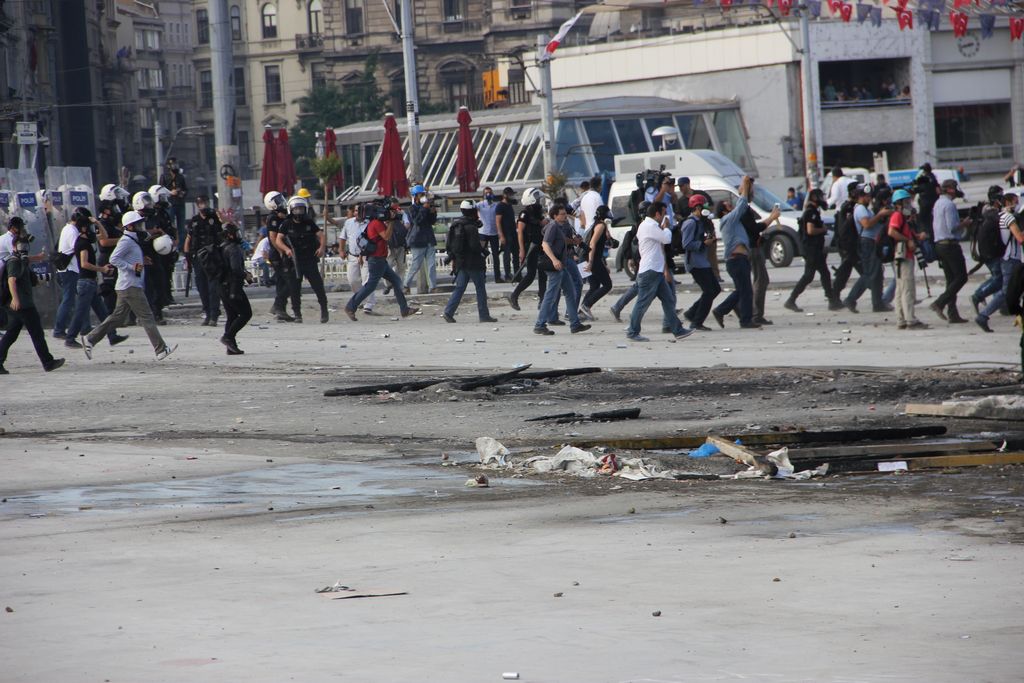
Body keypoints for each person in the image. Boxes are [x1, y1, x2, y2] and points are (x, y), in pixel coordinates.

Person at [83, 211, 176, 361]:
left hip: (126, 286)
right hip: (130, 286)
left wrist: (141, 260)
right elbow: (114, 259)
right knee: (147, 317)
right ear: (131, 226)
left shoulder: (131, 240)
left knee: (117, 318)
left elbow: (129, 258)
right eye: (138, 224)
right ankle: (161, 349)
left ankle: (90, 339)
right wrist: (132, 267)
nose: (141, 226)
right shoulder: (126, 241)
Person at [624, 201, 691, 342]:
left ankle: (677, 330)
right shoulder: (650, 226)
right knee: (642, 303)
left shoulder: (649, 225)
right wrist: (666, 228)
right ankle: (632, 331)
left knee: (668, 300)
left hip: (655, 270)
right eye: (664, 213)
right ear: (657, 214)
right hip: (650, 271)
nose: (665, 216)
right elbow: (666, 239)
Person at [0, 231, 65, 374]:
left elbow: (30, 280)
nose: (23, 247)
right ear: (14, 246)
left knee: (11, 333)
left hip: (20, 304)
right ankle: (48, 362)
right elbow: (12, 280)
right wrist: (16, 299)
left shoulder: (22, 261)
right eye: (20, 244)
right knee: (36, 333)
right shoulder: (14, 261)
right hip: (22, 305)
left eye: (25, 244)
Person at [344, 203, 419, 321]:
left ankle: (404, 309)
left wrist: (390, 221)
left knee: (396, 280)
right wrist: (392, 222)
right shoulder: (376, 224)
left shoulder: (373, 223)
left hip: (380, 260)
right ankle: (350, 306)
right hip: (376, 260)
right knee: (370, 286)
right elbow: (387, 237)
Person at [64, 213, 128, 348]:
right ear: (83, 228)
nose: (93, 230)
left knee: (102, 311)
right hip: (85, 282)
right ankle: (70, 338)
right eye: (89, 227)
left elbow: (104, 236)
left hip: (90, 282)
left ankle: (112, 335)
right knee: (81, 311)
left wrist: (97, 223)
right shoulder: (82, 243)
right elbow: (84, 263)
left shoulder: (87, 240)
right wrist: (102, 269)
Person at [533, 205, 590, 336]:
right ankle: (540, 324)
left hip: (561, 265)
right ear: (555, 216)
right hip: (554, 267)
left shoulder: (560, 227)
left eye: (565, 214)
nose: (565, 216)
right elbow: (545, 244)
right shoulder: (553, 226)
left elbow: (561, 241)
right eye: (562, 214)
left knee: (570, 292)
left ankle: (575, 324)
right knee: (550, 295)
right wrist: (554, 260)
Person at [712, 177, 760, 329]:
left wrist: (747, 188)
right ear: (724, 210)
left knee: (742, 290)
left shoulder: (733, 222)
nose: (732, 207)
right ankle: (745, 320)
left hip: (739, 259)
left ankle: (722, 311)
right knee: (746, 291)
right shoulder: (728, 219)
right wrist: (744, 188)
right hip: (736, 259)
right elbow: (741, 205)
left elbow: (744, 206)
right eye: (728, 205)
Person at [786, 189, 842, 312]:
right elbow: (810, 230)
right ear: (815, 197)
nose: (823, 199)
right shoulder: (811, 212)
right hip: (811, 249)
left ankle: (832, 301)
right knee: (812, 275)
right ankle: (791, 300)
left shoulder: (813, 211)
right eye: (821, 197)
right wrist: (823, 230)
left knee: (820, 274)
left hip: (814, 249)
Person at [976, 192, 1023, 333]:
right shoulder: (1009, 218)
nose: (1017, 203)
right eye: (1015, 201)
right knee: (1006, 291)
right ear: (1008, 202)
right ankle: (983, 315)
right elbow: (1020, 238)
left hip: (1005, 258)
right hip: (1011, 258)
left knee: (1010, 290)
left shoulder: (1000, 216)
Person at [443, 200, 496, 324]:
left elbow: (450, 245)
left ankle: (448, 312)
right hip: (473, 263)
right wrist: (483, 250)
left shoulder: (456, 225)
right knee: (480, 288)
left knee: (460, 288)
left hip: (461, 262)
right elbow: (474, 246)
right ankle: (484, 315)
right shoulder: (471, 227)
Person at [277, 195, 328, 324]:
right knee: (294, 289)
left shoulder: (309, 223)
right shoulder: (286, 224)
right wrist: (286, 250)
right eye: (296, 209)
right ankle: (297, 314)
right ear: (290, 210)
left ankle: (324, 310)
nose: (298, 212)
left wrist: (321, 248)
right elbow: (278, 239)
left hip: (309, 259)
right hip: (293, 261)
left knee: (318, 286)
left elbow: (321, 236)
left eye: (301, 209)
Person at [843, 186, 893, 313]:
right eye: (867, 196)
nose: (870, 198)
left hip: (872, 242)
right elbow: (867, 224)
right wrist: (880, 214)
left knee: (877, 275)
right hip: (867, 243)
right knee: (870, 274)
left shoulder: (865, 209)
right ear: (861, 196)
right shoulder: (860, 209)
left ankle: (878, 303)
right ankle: (850, 299)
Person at [887, 190, 929, 330]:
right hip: (904, 257)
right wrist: (909, 240)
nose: (909, 204)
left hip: (903, 256)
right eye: (906, 202)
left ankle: (901, 319)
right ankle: (910, 320)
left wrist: (916, 236)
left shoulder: (904, 218)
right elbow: (892, 232)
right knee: (907, 289)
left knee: (901, 289)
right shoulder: (897, 216)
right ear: (898, 204)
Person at [929, 179, 969, 323]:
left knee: (951, 280)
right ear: (951, 189)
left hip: (940, 245)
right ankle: (939, 303)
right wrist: (964, 223)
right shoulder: (949, 204)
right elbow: (952, 227)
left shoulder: (938, 203)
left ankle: (953, 314)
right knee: (961, 277)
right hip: (950, 245)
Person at [679, 194, 720, 331]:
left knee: (715, 289)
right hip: (695, 263)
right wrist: (703, 243)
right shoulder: (690, 223)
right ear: (697, 207)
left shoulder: (701, 221)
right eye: (704, 206)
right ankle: (696, 322)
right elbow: (686, 244)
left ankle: (691, 313)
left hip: (703, 262)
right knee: (709, 291)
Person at [183, 195, 223, 326]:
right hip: (198, 258)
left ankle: (214, 315)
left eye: (204, 203)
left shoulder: (214, 218)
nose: (202, 205)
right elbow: (188, 240)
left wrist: (219, 215)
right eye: (200, 203)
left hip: (212, 257)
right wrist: (187, 256)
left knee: (213, 287)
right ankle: (207, 313)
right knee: (202, 287)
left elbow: (224, 230)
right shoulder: (194, 221)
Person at [740, 199, 779, 325]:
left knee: (759, 280)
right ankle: (755, 314)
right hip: (752, 249)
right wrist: (772, 218)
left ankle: (753, 313)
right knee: (760, 280)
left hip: (753, 247)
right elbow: (754, 228)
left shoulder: (745, 208)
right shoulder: (744, 209)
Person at [509, 188, 548, 311]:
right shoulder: (524, 214)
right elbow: (520, 232)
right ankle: (514, 295)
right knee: (530, 275)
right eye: (536, 199)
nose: (538, 201)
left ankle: (542, 301)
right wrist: (522, 250)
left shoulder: (538, 213)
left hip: (540, 246)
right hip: (529, 247)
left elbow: (541, 225)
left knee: (543, 274)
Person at [971, 185, 1008, 313]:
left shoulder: (988, 210)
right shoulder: (991, 212)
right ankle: (978, 296)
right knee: (999, 278)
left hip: (990, 250)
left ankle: (1001, 305)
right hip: (991, 252)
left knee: (999, 278)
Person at [218, 222, 253, 354]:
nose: (238, 235)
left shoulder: (221, 247)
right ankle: (227, 338)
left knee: (231, 316)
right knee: (246, 313)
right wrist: (246, 275)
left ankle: (230, 347)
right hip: (232, 287)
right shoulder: (233, 248)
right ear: (229, 235)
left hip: (222, 286)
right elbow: (236, 269)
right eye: (236, 233)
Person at [338, 203, 376, 315]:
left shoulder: (370, 223)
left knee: (367, 280)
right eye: (356, 211)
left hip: (366, 256)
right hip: (352, 256)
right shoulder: (349, 223)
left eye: (360, 211)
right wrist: (341, 250)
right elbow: (343, 237)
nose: (358, 213)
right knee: (352, 280)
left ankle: (369, 304)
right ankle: (359, 298)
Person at [264, 191, 297, 322]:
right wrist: (281, 251)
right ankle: (278, 306)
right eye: (277, 200)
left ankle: (280, 310)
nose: (281, 201)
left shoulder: (283, 216)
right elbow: (273, 238)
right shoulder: (273, 218)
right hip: (278, 255)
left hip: (284, 253)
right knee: (290, 281)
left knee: (282, 282)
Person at [580, 205, 615, 320]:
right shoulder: (601, 226)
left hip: (586, 257)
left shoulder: (596, 224)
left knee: (594, 285)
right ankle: (586, 305)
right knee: (607, 285)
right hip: (590, 258)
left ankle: (581, 312)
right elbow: (592, 244)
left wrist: (603, 265)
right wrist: (590, 262)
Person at [52, 207, 83, 339]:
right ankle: (59, 329)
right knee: (68, 299)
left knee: (79, 298)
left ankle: (83, 326)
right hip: (69, 270)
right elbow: (78, 248)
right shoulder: (72, 231)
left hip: (68, 269)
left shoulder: (67, 228)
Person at [831, 183, 864, 302]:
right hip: (848, 246)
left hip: (852, 246)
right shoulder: (847, 208)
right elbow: (844, 230)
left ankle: (836, 298)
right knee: (863, 273)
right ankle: (838, 299)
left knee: (845, 274)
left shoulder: (853, 206)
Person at [404, 187, 438, 293]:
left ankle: (433, 286)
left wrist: (433, 212)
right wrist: (424, 208)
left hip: (428, 238)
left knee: (431, 264)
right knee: (416, 264)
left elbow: (431, 221)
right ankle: (406, 285)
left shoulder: (427, 206)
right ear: (415, 196)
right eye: (420, 194)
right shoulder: (411, 208)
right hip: (418, 240)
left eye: (423, 194)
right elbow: (417, 221)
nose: (423, 196)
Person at [475, 187, 503, 283]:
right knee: (482, 255)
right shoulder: (480, 204)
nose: (488, 195)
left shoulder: (496, 205)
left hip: (494, 233)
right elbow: (472, 208)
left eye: (490, 193)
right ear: (483, 194)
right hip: (483, 233)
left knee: (496, 256)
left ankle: (497, 277)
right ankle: (482, 276)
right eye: (486, 193)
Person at [159, 157, 188, 243]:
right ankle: (170, 244)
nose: (175, 166)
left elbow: (186, 189)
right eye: (173, 164)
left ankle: (181, 247)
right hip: (170, 204)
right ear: (168, 166)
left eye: (176, 164)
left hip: (180, 203)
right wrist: (170, 192)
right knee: (169, 225)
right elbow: (160, 190)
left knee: (181, 227)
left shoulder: (180, 177)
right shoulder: (164, 176)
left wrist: (182, 193)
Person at [385, 200, 409, 292]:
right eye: (393, 208)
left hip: (400, 243)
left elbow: (407, 225)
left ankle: (399, 287)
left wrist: (400, 221)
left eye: (396, 207)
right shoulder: (385, 214)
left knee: (401, 267)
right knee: (388, 265)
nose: (394, 210)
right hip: (389, 245)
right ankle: (389, 284)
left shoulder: (402, 214)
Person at [495, 188, 518, 281]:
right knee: (507, 256)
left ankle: (517, 274)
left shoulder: (509, 205)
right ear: (505, 195)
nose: (512, 196)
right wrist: (501, 235)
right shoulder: (500, 206)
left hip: (513, 232)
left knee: (516, 254)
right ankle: (507, 275)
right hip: (506, 233)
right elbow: (498, 222)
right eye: (510, 195)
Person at [912, 163, 940, 237]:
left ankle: (925, 234)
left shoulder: (923, 179)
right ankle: (932, 233)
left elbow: (917, 189)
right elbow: (938, 190)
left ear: (924, 170)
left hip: (925, 203)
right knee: (932, 219)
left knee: (922, 219)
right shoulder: (933, 177)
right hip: (934, 203)